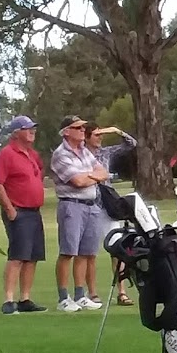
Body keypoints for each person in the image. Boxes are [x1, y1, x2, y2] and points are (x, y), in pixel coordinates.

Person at [50, 115, 113, 311]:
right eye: (77, 128)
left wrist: (89, 176)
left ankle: (80, 295)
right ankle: (63, 298)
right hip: (72, 205)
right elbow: (77, 182)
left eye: (83, 127)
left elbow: (103, 173)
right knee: (68, 251)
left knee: (86, 252)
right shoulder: (61, 154)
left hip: (91, 205)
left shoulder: (85, 151)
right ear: (66, 132)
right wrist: (92, 176)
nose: (82, 130)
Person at [0, 115, 49, 314]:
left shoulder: (32, 154)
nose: (32, 131)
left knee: (32, 257)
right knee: (17, 256)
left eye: (33, 128)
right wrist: (10, 210)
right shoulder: (6, 155)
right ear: (16, 133)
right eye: (27, 128)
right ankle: (8, 299)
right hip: (19, 211)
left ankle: (25, 298)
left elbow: (39, 172)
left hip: (34, 211)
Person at [86, 124, 137, 304]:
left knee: (117, 249)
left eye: (101, 134)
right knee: (89, 252)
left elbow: (132, 144)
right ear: (86, 137)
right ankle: (92, 293)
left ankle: (121, 292)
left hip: (108, 206)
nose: (100, 137)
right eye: (96, 134)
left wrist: (116, 131)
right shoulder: (81, 155)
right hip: (90, 205)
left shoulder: (105, 153)